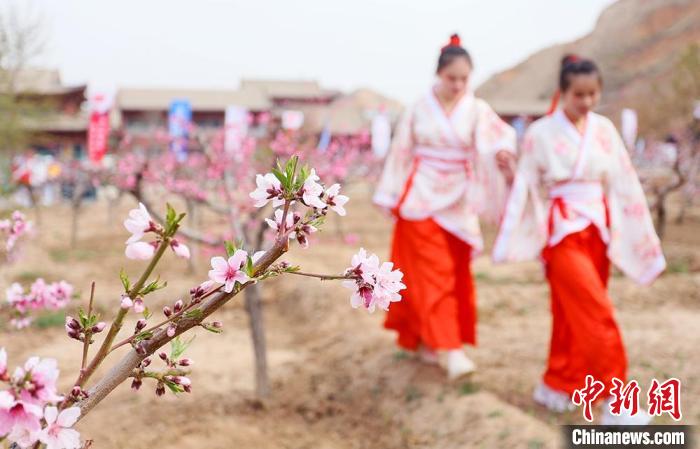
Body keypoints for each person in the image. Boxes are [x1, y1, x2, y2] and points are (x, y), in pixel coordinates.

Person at [492, 55, 665, 424]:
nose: (586, 102)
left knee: (572, 314)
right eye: (578, 94)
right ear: (563, 93)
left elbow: (624, 181)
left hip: (598, 231)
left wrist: (638, 238)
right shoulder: (540, 133)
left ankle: (559, 382)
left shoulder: (604, 130)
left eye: (592, 94)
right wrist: (510, 173)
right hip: (563, 232)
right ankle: (616, 402)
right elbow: (528, 184)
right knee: (596, 314)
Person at [373, 34, 516, 380]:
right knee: (433, 274)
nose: (457, 85)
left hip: (458, 200)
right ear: (438, 74)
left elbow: (502, 137)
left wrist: (502, 153)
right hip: (421, 197)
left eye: (464, 79)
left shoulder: (477, 109)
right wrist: (391, 195)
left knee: (453, 274)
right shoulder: (418, 108)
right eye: (451, 78)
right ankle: (449, 349)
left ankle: (427, 341)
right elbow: (401, 153)